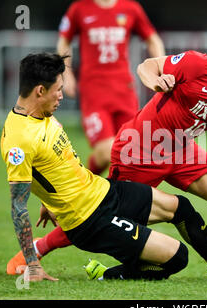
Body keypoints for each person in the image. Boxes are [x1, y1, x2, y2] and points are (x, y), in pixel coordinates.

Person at [7, 25, 207, 280]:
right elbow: (146, 65)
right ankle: (39, 246)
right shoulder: (198, 65)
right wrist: (156, 81)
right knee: (103, 216)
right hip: (139, 149)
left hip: (181, 151)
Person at [57, 0, 165, 177]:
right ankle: (82, 186)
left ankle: (110, 197)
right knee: (107, 150)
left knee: (132, 152)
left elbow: (153, 39)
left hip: (124, 91)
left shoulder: (131, 8)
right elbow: (64, 40)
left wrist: (162, 67)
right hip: (94, 92)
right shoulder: (79, 8)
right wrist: (66, 72)